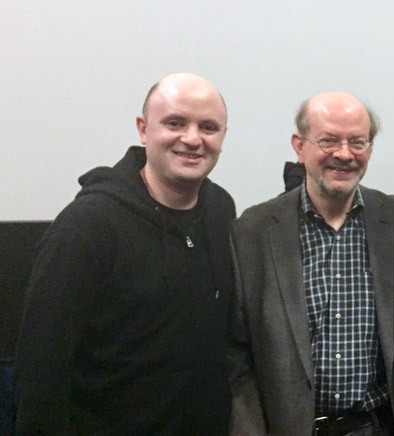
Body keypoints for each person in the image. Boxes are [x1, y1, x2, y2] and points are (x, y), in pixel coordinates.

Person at [14, 73, 235, 434]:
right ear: (143, 129)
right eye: (175, 123)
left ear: (223, 136)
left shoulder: (221, 210)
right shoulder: (86, 227)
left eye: (208, 127)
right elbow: (41, 372)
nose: (193, 139)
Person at [228, 92, 394, 435]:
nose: (344, 154)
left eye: (358, 142)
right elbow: (236, 357)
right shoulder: (251, 232)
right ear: (299, 146)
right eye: (329, 140)